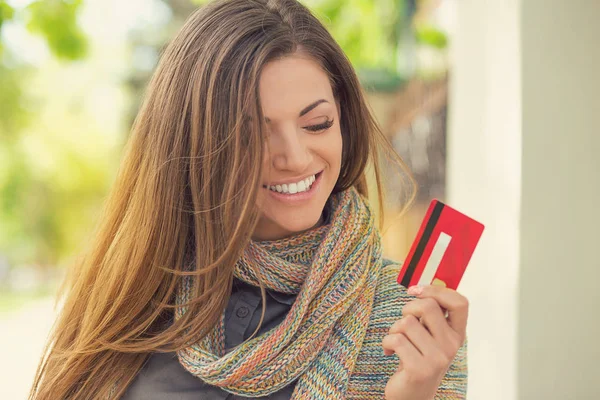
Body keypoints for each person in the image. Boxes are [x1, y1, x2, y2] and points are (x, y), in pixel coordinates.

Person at [30, 0, 468, 399]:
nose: (295, 158)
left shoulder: (406, 322)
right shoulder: (127, 297)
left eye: (317, 124)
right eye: (252, 133)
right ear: (192, 144)